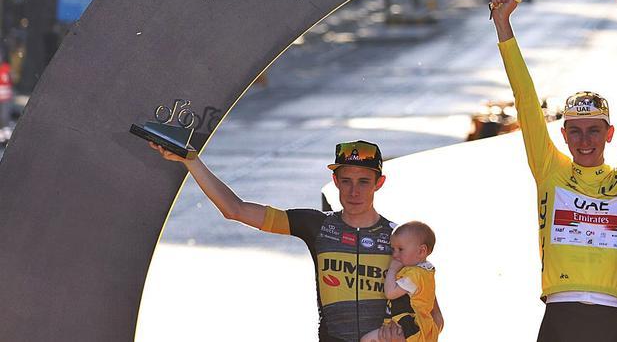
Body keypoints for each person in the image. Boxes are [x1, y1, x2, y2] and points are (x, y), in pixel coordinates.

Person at [489, 0, 617, 342]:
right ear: (563, 135)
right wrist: (503, 25)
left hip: (612, 316)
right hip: (559, 313)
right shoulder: (551, 169)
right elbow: (526, 99)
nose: (584, 141)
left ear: (609, 133)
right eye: (575, 132)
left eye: (593, 131)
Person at [150, 139, 441, 342]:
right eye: (346, 181)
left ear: (379, 183)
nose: (354, 191)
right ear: (336, 181)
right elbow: (235, 209)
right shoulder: (316, 225)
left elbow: (435, 318)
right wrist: (192, 161)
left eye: (364, 181)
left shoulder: (399, 238)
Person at [362, 221, 440, 342]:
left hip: (408, 327)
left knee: (366, 340)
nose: (395, 254)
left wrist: (392, 270)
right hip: (409, 327)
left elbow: (390, 293)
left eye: (400, 249)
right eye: (393, 249)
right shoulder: (425, 272)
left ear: (421, 251)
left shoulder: (415, 275)